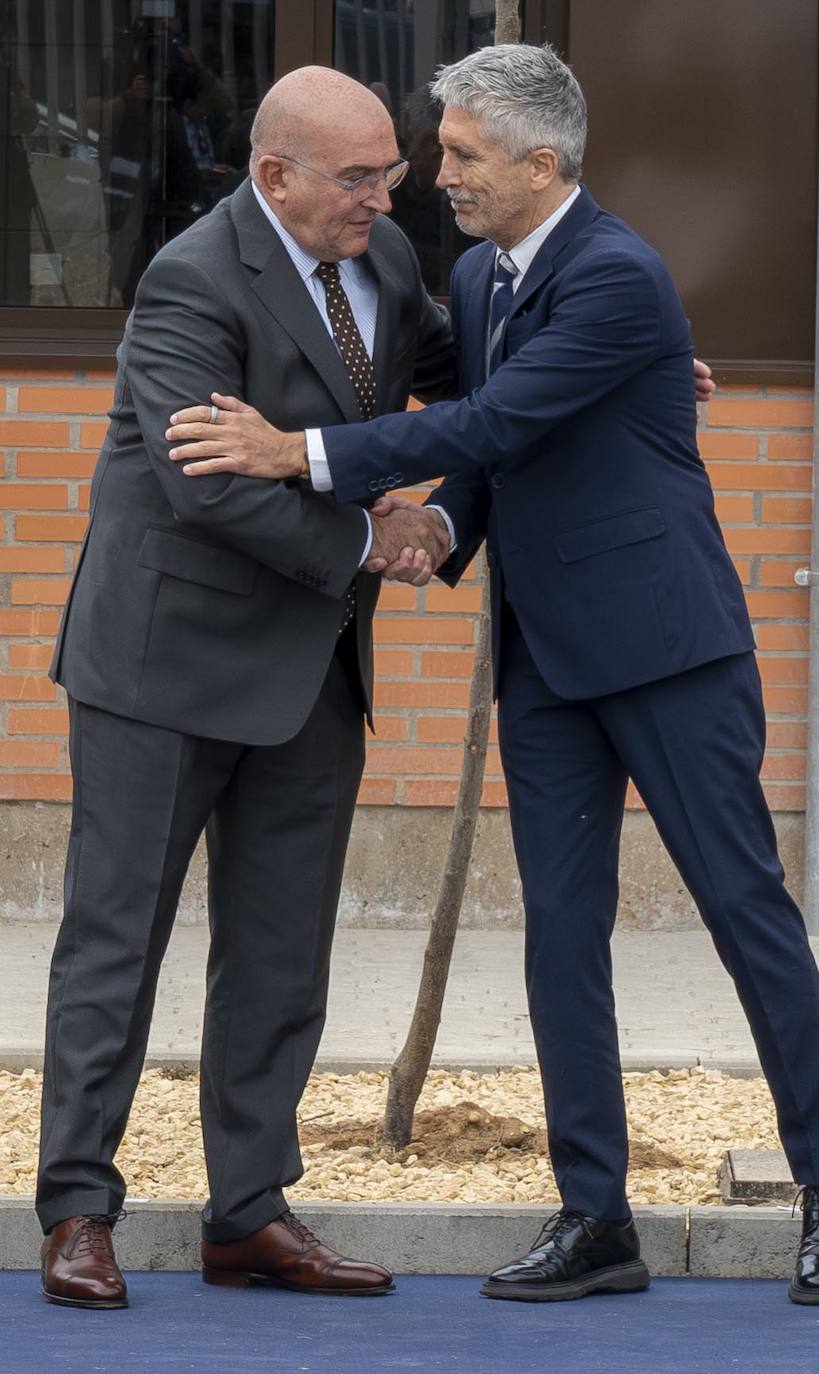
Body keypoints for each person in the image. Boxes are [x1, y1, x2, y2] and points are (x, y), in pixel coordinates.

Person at [166, 43, 819, 1307]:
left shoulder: (620, 274)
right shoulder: (479, 274)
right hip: (548, 662)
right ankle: (596, 1219)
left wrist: (295, 451)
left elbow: (492, 422)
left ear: (542, 162)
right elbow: (494, 441)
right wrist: (441, 528)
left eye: (462, 154)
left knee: (748, 919)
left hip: (669, 650)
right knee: (559, 939)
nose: (437, 174)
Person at [37, 65, 454, 1310]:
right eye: (361, 176)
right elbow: (204, 484)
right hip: (163, 669)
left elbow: (466, 360)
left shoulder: (377, 264)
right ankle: (76, 1210)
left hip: (308, 675)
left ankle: (250, 1213)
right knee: (116, 941)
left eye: (394, 170)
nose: (388, 196)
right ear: (275, 175)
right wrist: (370, 542)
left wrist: (620, 356)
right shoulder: (191, 279)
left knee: (281, 956)